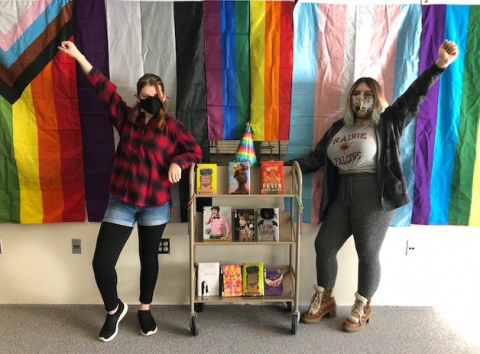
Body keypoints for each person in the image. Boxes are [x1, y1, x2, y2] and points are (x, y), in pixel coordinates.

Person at [289, 40, 458, 332]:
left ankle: (362, 303)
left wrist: (439, 65)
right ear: (350, 99)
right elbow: (316, 158)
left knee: (367, 252)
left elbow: (413, 96)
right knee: (324, 245)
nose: (361, 100)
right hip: (343, 193)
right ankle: (326, 298)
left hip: (375, 194)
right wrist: (279, 169)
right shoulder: (338, 127)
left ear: (376, 98)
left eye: (367, 95)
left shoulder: (389, 120)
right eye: (356, 95)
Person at [57, 41, 202, 342]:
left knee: (149, 259)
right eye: (145, 97)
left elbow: (195, 151)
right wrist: (80, 57)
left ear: (164, 96)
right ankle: (114, 310)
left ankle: (144, 309)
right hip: (121, 202)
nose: (150, 101)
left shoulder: (173, 127)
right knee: (101, 262)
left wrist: (178, 161)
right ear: (138, 98)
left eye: (155, 96)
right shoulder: (127, 118)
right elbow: (104, 89)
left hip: (154, 204)